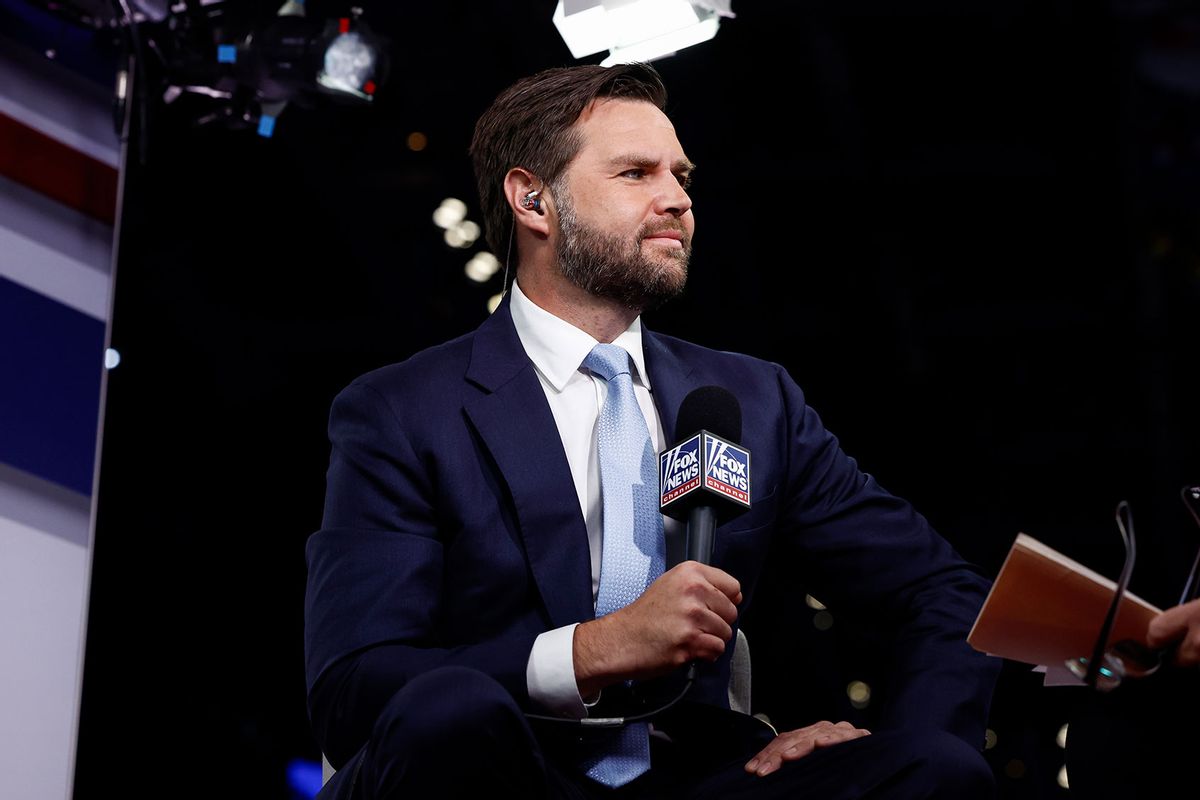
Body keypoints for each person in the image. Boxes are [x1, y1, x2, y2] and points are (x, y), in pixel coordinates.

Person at [303, 62, 1001, 799]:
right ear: (533, 199)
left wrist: (899, 734)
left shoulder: (752, 399)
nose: (676, 199)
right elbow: (354, 687)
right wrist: (590, 652)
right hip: (502, 767)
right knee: (448, 708)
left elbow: (942, 592)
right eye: (636, 174)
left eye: (682, 176)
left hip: (700, 778)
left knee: (933, 768)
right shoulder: (401, 409)